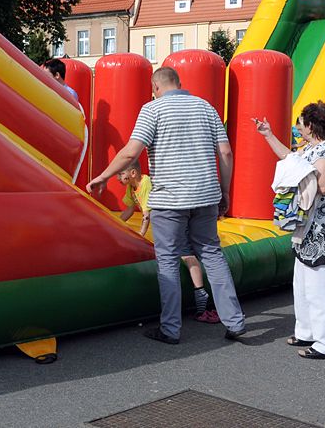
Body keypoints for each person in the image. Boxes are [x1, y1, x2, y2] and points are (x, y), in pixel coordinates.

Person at [87, 67, 245, 344]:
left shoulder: (153, 110)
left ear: (155, 87)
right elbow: (226, 152)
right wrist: (224, 190)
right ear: (179, 84)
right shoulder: (206, 107)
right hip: (205, 195)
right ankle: (234, 321)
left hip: (170, 199)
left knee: (169, 261)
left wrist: (103, 176)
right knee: (212, 254)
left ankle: (171, 329)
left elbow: (130, 152)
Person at [254, 101, 325, 359]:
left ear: (311, 125)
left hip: (320, 224)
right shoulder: (313, 148)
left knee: (317, 283)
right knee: (303, 280)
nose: (299, 128)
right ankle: (306, 331)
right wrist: (268, 135)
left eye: (302, 123)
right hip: (309, 223)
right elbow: (289, 158)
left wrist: (300, 177)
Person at [118, 160, 220, 324]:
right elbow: (129, 209)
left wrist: (141, 235)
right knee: (180, 253)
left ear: (133, 173)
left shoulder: (144, 184)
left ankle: (200, 293)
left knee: (186, 254)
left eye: (121, 174)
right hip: (171, 217)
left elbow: (146, 214)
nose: (118, 178)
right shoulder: (131, 188)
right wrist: (115, 224)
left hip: (174, 216)